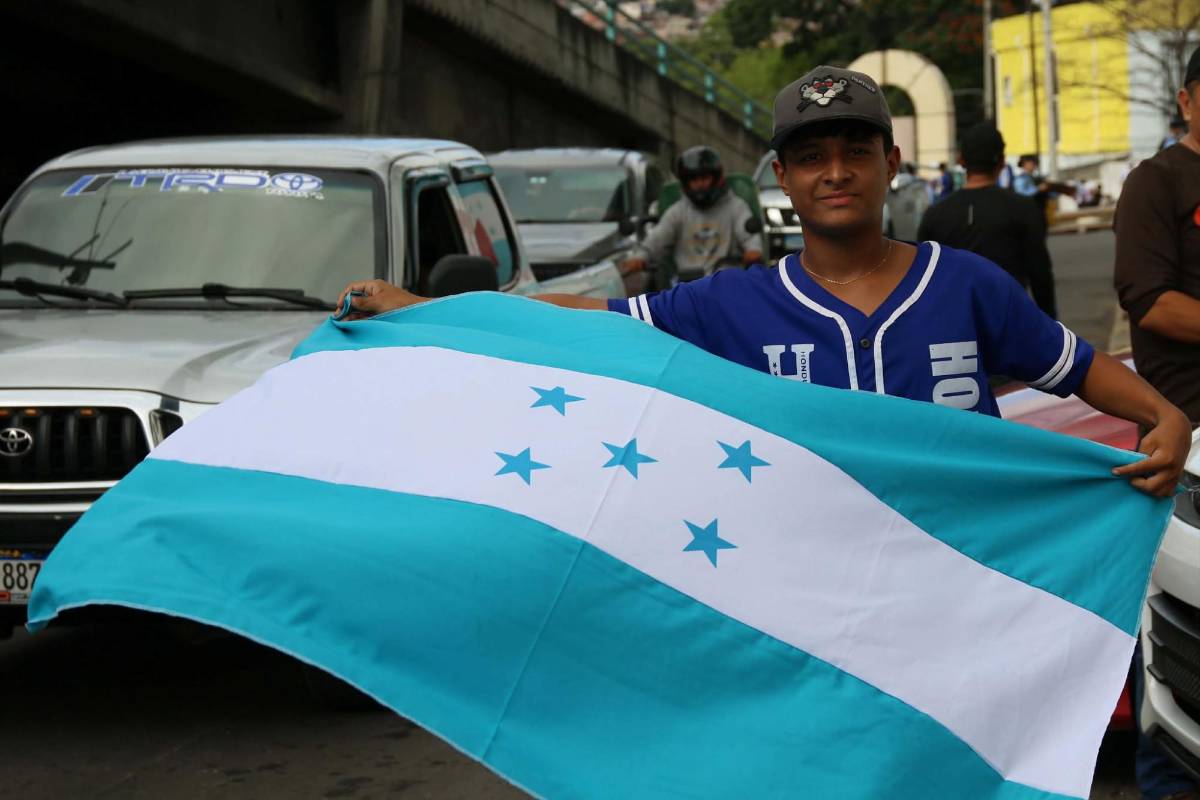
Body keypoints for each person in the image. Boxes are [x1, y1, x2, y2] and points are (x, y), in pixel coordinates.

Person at [339, 65, 1190, 499]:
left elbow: (1075, 366)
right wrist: (425, 309)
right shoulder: (728, 303)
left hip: (961, 582)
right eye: (812, 156)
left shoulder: (964, 285)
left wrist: (1160, 411)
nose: (836, 171)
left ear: (892, 162)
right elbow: (580, 320)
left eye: (857, 150)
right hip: (809, 596)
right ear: (780, 175)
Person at [1113, 45, 1200, 800]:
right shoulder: (1157, 181)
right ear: (1186, 99)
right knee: (1173, 635)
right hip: (1188, 436)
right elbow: (1153, 303)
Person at [917, 122, 1058, 318]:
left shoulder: (935, 214)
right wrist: (1050, 325)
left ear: (961, 160)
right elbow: (1040, 274)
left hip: (956, 328)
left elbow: (923, 280)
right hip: (1010, 322)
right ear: (1002, 161)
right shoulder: (1023, 208)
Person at [618, 145, 763, 289]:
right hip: (686, 288)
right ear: (685, 183)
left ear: (717, 178)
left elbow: (749, 236)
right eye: (693, 179)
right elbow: (657, 238)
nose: (699, 184)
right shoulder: (678, 211)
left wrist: (753, 251)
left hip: (725, 286)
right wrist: (639, 258)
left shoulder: (736, 207)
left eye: (704, 178)